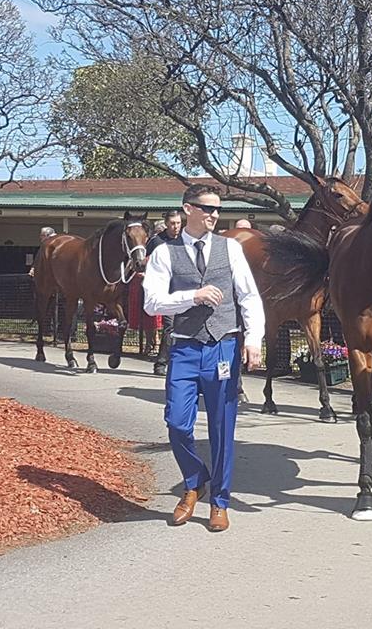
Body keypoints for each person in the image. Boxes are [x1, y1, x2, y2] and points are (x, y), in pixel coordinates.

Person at [143, 184, 264, 532]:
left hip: (223, 346)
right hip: (184, 347)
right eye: (206, 208)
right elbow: (152, 302)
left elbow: (249, 296)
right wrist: (191, 297)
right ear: (187, 209)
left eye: (217, 209)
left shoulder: (231, 249)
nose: (213, 215)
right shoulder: (166, 253)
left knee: (222, 428)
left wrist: (253, 339)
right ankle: (195, 480)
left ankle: (220, 501)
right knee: (177, 423)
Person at [150, 210, 185, 376]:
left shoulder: (185, 240)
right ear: (166, 224)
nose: (176, 227)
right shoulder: (157, 242)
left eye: (178, 223)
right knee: (170, 326)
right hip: (167, 291)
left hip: (185, 290)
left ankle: (180, 362)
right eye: (173, 223)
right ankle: (161, 363)